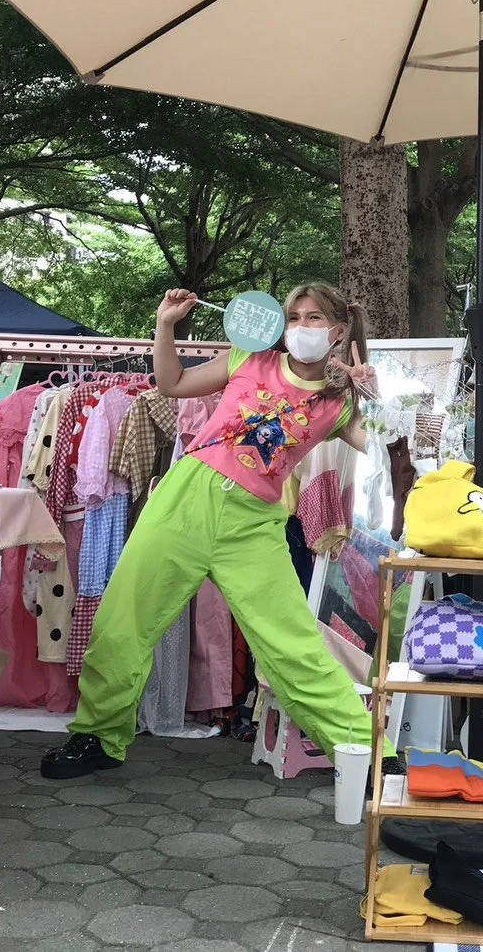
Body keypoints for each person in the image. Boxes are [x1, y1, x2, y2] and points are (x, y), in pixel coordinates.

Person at [42, 283, 398, 780]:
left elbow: (389, 445)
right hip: (185, 501)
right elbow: (171, 384)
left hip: (253, 525)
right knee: (123, 621)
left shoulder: (339, 406)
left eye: (314, 318)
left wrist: (375, 399)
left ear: (338, 330)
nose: (300, 327)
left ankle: (368, 756)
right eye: (293, 316)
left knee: (292, 643)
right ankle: (97, 737)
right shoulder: (249, 360)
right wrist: (166, 325)